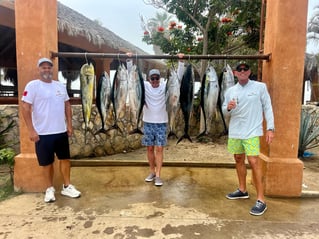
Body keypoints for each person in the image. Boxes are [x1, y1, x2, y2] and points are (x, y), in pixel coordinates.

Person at [21, 57, 81, 203]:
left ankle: (67, 186)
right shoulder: (32, 86)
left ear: (52, 69)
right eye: (43, 67)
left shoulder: (59, 86)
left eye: (49, 67)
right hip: (42, 133)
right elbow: (25, 107)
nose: (46, 69)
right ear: (39, 69)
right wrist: (31, 130)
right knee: (47, 163)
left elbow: (67, 105)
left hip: (60, 131)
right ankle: (49, 188)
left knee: (65, 159)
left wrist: (69, 125)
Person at [222, 62, 275, 216]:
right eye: (240, 70)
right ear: (235, 73)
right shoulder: (230, 90)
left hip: (252, 131)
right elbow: (225, 110)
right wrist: (229, 107)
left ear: (249, 71)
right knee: (238, 159)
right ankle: (242, 190)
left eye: (246, 69)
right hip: (235, 132)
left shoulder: (260, 87)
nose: (243, 71)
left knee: (254, 161)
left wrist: (270, 128)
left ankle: (261, 200)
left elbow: (268, 107)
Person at [142, 69, 168, 186]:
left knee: (159, 149)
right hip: (148, 122)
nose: (155, 81)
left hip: (162, 122)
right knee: (150, 149)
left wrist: (181, 62)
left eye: (157, 78)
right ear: (149, 79)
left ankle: (158, 175)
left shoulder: (165, 85)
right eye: (152, 78)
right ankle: (152, 172)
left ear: (160, 78)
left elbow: (178, 76)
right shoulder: (145, 85)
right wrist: (129, 60)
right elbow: (132, 75)